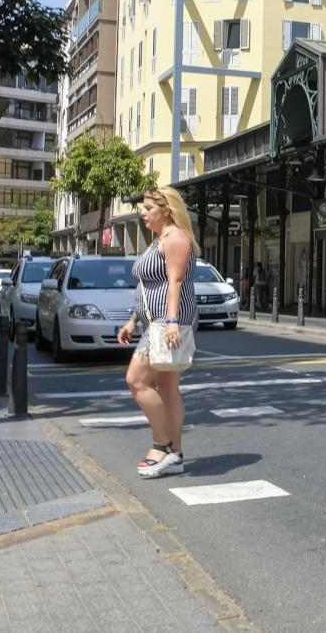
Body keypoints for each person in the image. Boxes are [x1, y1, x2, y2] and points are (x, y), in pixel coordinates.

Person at [116, 187, 198, 479]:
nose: (142, 212)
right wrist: (132, 320)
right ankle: (175, 455)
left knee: (136, 380)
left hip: (166, 322)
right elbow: (148, 288)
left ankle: (163, 446)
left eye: (148, 208)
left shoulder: (176, 238)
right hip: (155, 322)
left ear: (167, 210)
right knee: (166, 386)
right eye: (143, 207)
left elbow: (174, 283)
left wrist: (172, 321)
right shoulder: (158, 240)